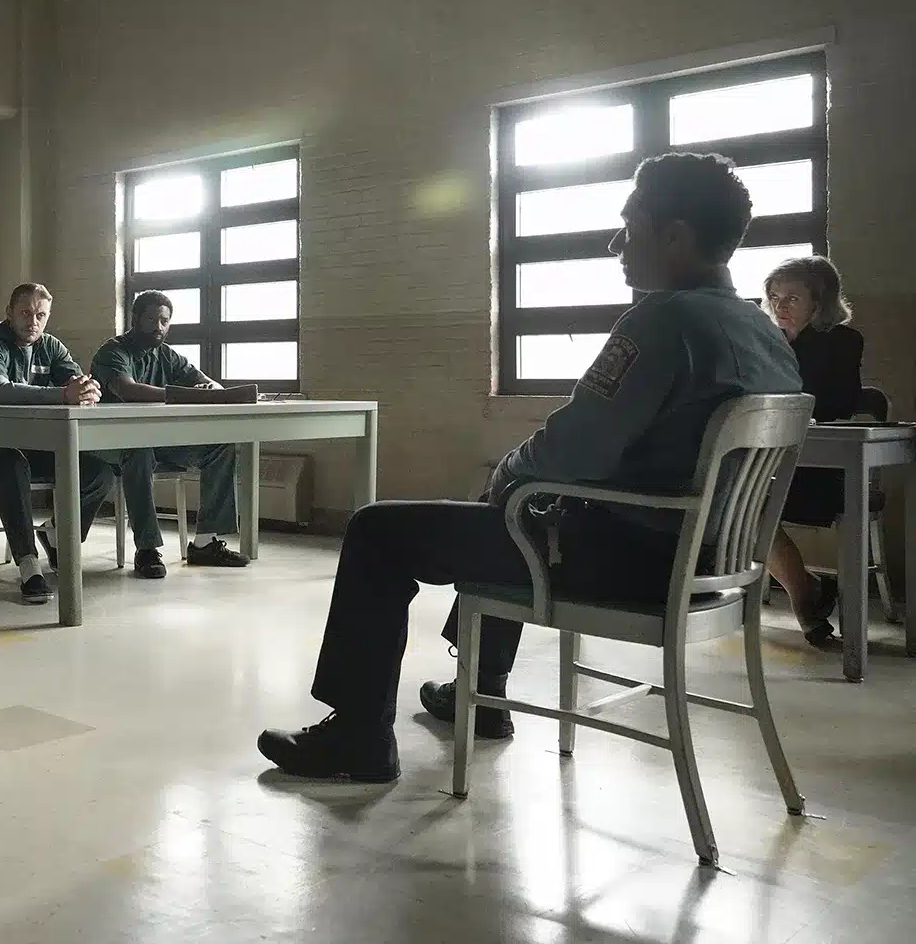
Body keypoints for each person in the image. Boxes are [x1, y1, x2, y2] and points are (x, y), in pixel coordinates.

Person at [257, 152, 802, 782]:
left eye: (630, 226)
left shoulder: (664, 321)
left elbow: (576, 448)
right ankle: (482, 692)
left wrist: (508, 470)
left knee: (380, 528)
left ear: (675, 235)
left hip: (628, 561)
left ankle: (359, 735)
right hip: (706, 564)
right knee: (525, 507)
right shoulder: (765, 334)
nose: (616, 243)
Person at [0, 283, 117, 604]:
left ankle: (56, 533)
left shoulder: (51, 346)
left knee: (99, 472)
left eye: (41, 315)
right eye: (25, 313)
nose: (33, 321)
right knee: (11, 464)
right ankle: (29, 564)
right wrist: (64, 394)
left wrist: (86, 390)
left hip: (33, 445)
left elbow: (75, 382)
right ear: (9, 313)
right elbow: (0, 392)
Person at [90, 290, 248, 579]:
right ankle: (147, 549)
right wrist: (182, 394)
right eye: (151, 319)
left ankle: (205, 543)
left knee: (220, 446)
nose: (158, 327)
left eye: (164, 321)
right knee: (138, 451)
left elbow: (208, 383)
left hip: (156, 441)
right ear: (135, 319)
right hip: (109, 440)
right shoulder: (113, 351)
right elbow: (127, 390)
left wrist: (209, 390)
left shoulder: (167, 355)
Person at [764, 255, 864, 650]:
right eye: (774, 297)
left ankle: (807, 601)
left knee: (743, 506)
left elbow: (838, 403)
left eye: (792, 298)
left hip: (824, 468)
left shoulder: (842, 341)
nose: (780, 306)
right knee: (734, 504)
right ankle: (808, 595)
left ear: (818, 303)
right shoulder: (769, 341)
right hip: (776, 463)